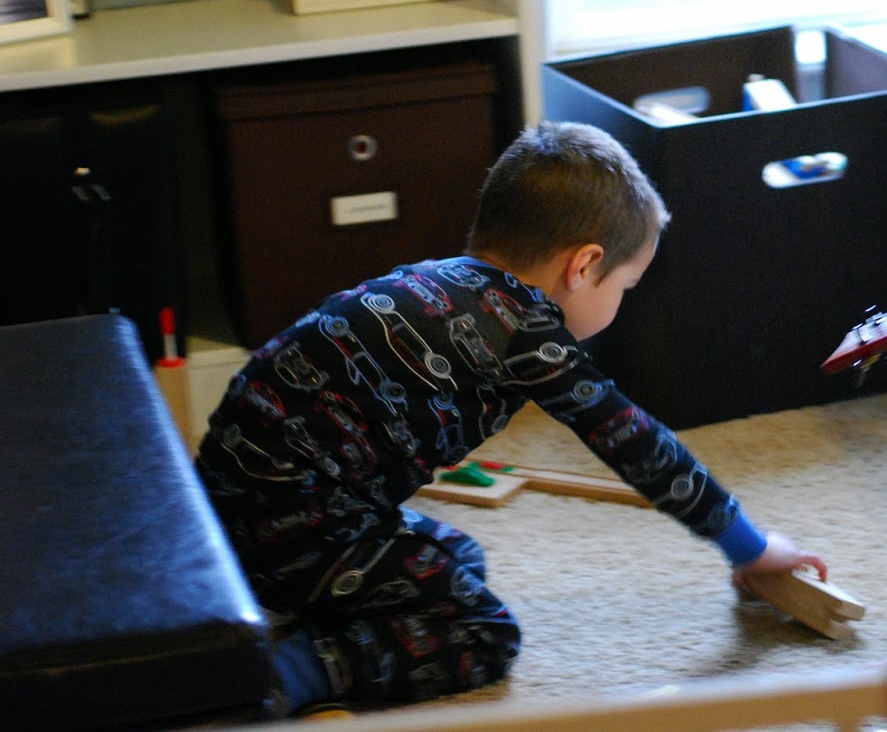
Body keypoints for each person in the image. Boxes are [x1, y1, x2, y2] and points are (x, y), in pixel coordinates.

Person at [194, 120, 827, 717]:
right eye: (624, 287)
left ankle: (298, 604)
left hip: (224, 515)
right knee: (484, 633)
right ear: (583, 266)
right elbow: (636, 444)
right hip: (292, 533)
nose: (621, 301)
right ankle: (284, 675)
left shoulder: (439, 281)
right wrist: (751, 547)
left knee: (458, 557)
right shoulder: (523, 328)